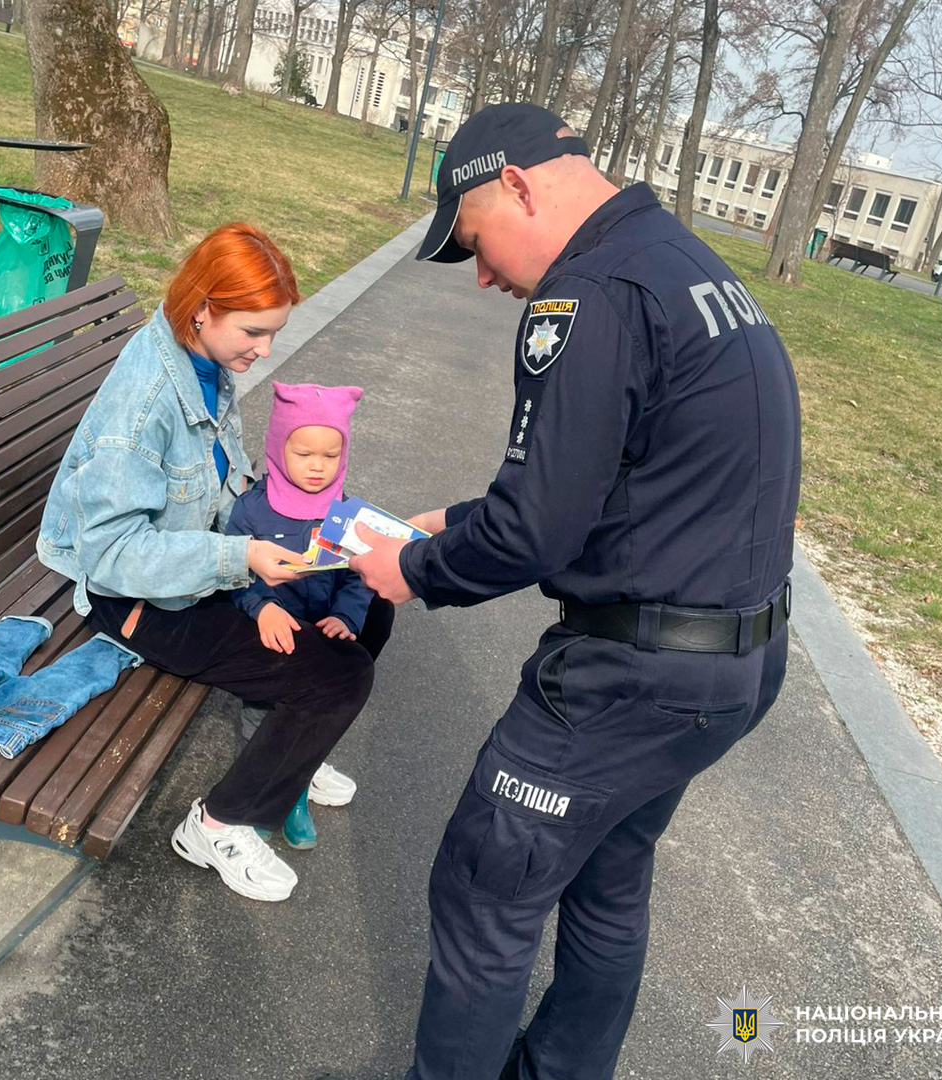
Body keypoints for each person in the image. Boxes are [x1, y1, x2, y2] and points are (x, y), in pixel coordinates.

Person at [347, 103, 801, 1080]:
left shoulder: (586, 294)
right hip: (732, 663)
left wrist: (412, 570)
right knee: (606, 878)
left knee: (485, 887)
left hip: (624, 681)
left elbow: (538, 531)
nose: (484, 275)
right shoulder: (685, 264)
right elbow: (626, 479)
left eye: (474, 242)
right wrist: (456, 517)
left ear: (516, 184)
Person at [37, 222, 388, 903]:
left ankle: (294, 749)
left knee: (367, 605)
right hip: (140, 601)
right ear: (203, 307)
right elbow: (110, 554)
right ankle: (217, 823)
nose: (264, 350)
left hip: (199, 567)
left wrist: (303, 533)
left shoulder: (203, 361)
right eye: (253, 332)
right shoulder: (144, 406)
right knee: (337, 679)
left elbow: (221, 486)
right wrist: (245, 557)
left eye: (273, 334)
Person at [225, 381, 391, 849]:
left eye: (330, 456)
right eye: (303, 454)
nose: (318, 467)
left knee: (320, 706)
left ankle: (297, 781)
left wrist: (347, 615)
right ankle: (265, 791)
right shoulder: (254, 509)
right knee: (263, 716)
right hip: (269, 636)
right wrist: (261, 607)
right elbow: (235, 574)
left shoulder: (342, 511)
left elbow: (357, 574)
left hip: (321, 633)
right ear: (279, 448)